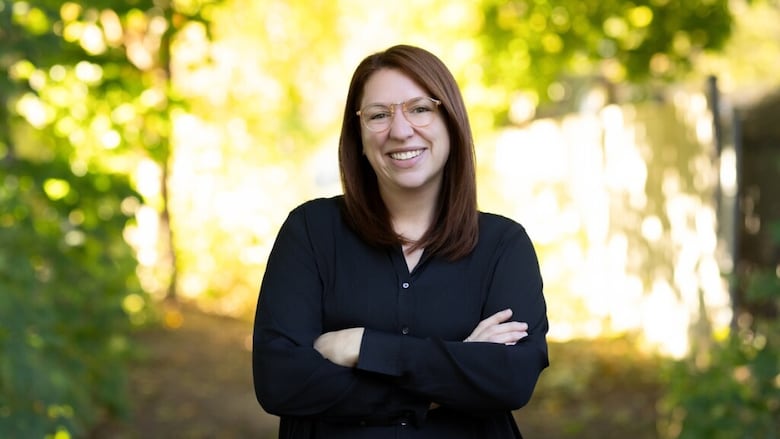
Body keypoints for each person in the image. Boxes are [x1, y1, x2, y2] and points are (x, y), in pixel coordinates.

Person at [252, 44, 549, 438]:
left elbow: (511, 379)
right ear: (357, 134)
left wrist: (363, 347)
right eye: (378, 115)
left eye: (420, 108)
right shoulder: (310, 231)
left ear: (451, 121)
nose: (400, 129)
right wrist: (453, 370)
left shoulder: (503, 245)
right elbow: (281, 381)